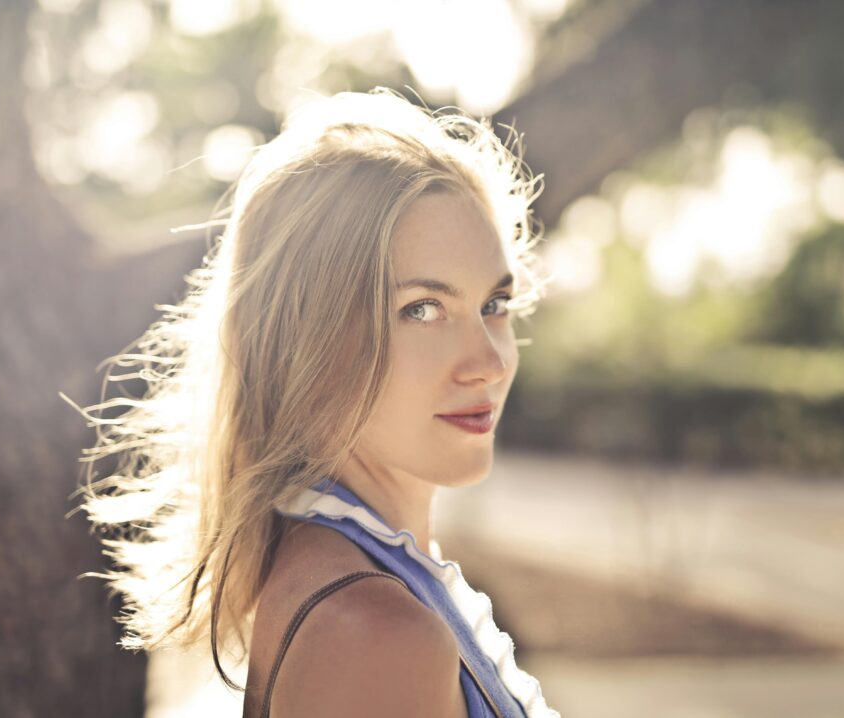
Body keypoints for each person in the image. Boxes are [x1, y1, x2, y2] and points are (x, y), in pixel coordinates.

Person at [72, 87, 559, 717]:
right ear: (310, 339)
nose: (489, 362)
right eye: (422, 309)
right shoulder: (375, 632)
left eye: (493, 305)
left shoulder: (363, 580)